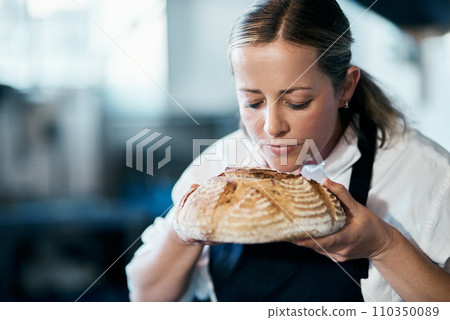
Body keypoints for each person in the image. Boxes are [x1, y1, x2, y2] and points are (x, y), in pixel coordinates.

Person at [126, 0, 450, 302]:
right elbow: (146, 296)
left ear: (345, 87)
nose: (271, 127)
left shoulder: (424, 174)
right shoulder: (217, 166)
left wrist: (383, 244)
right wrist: (184, 230)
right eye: (253, 102)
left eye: (297, 103)